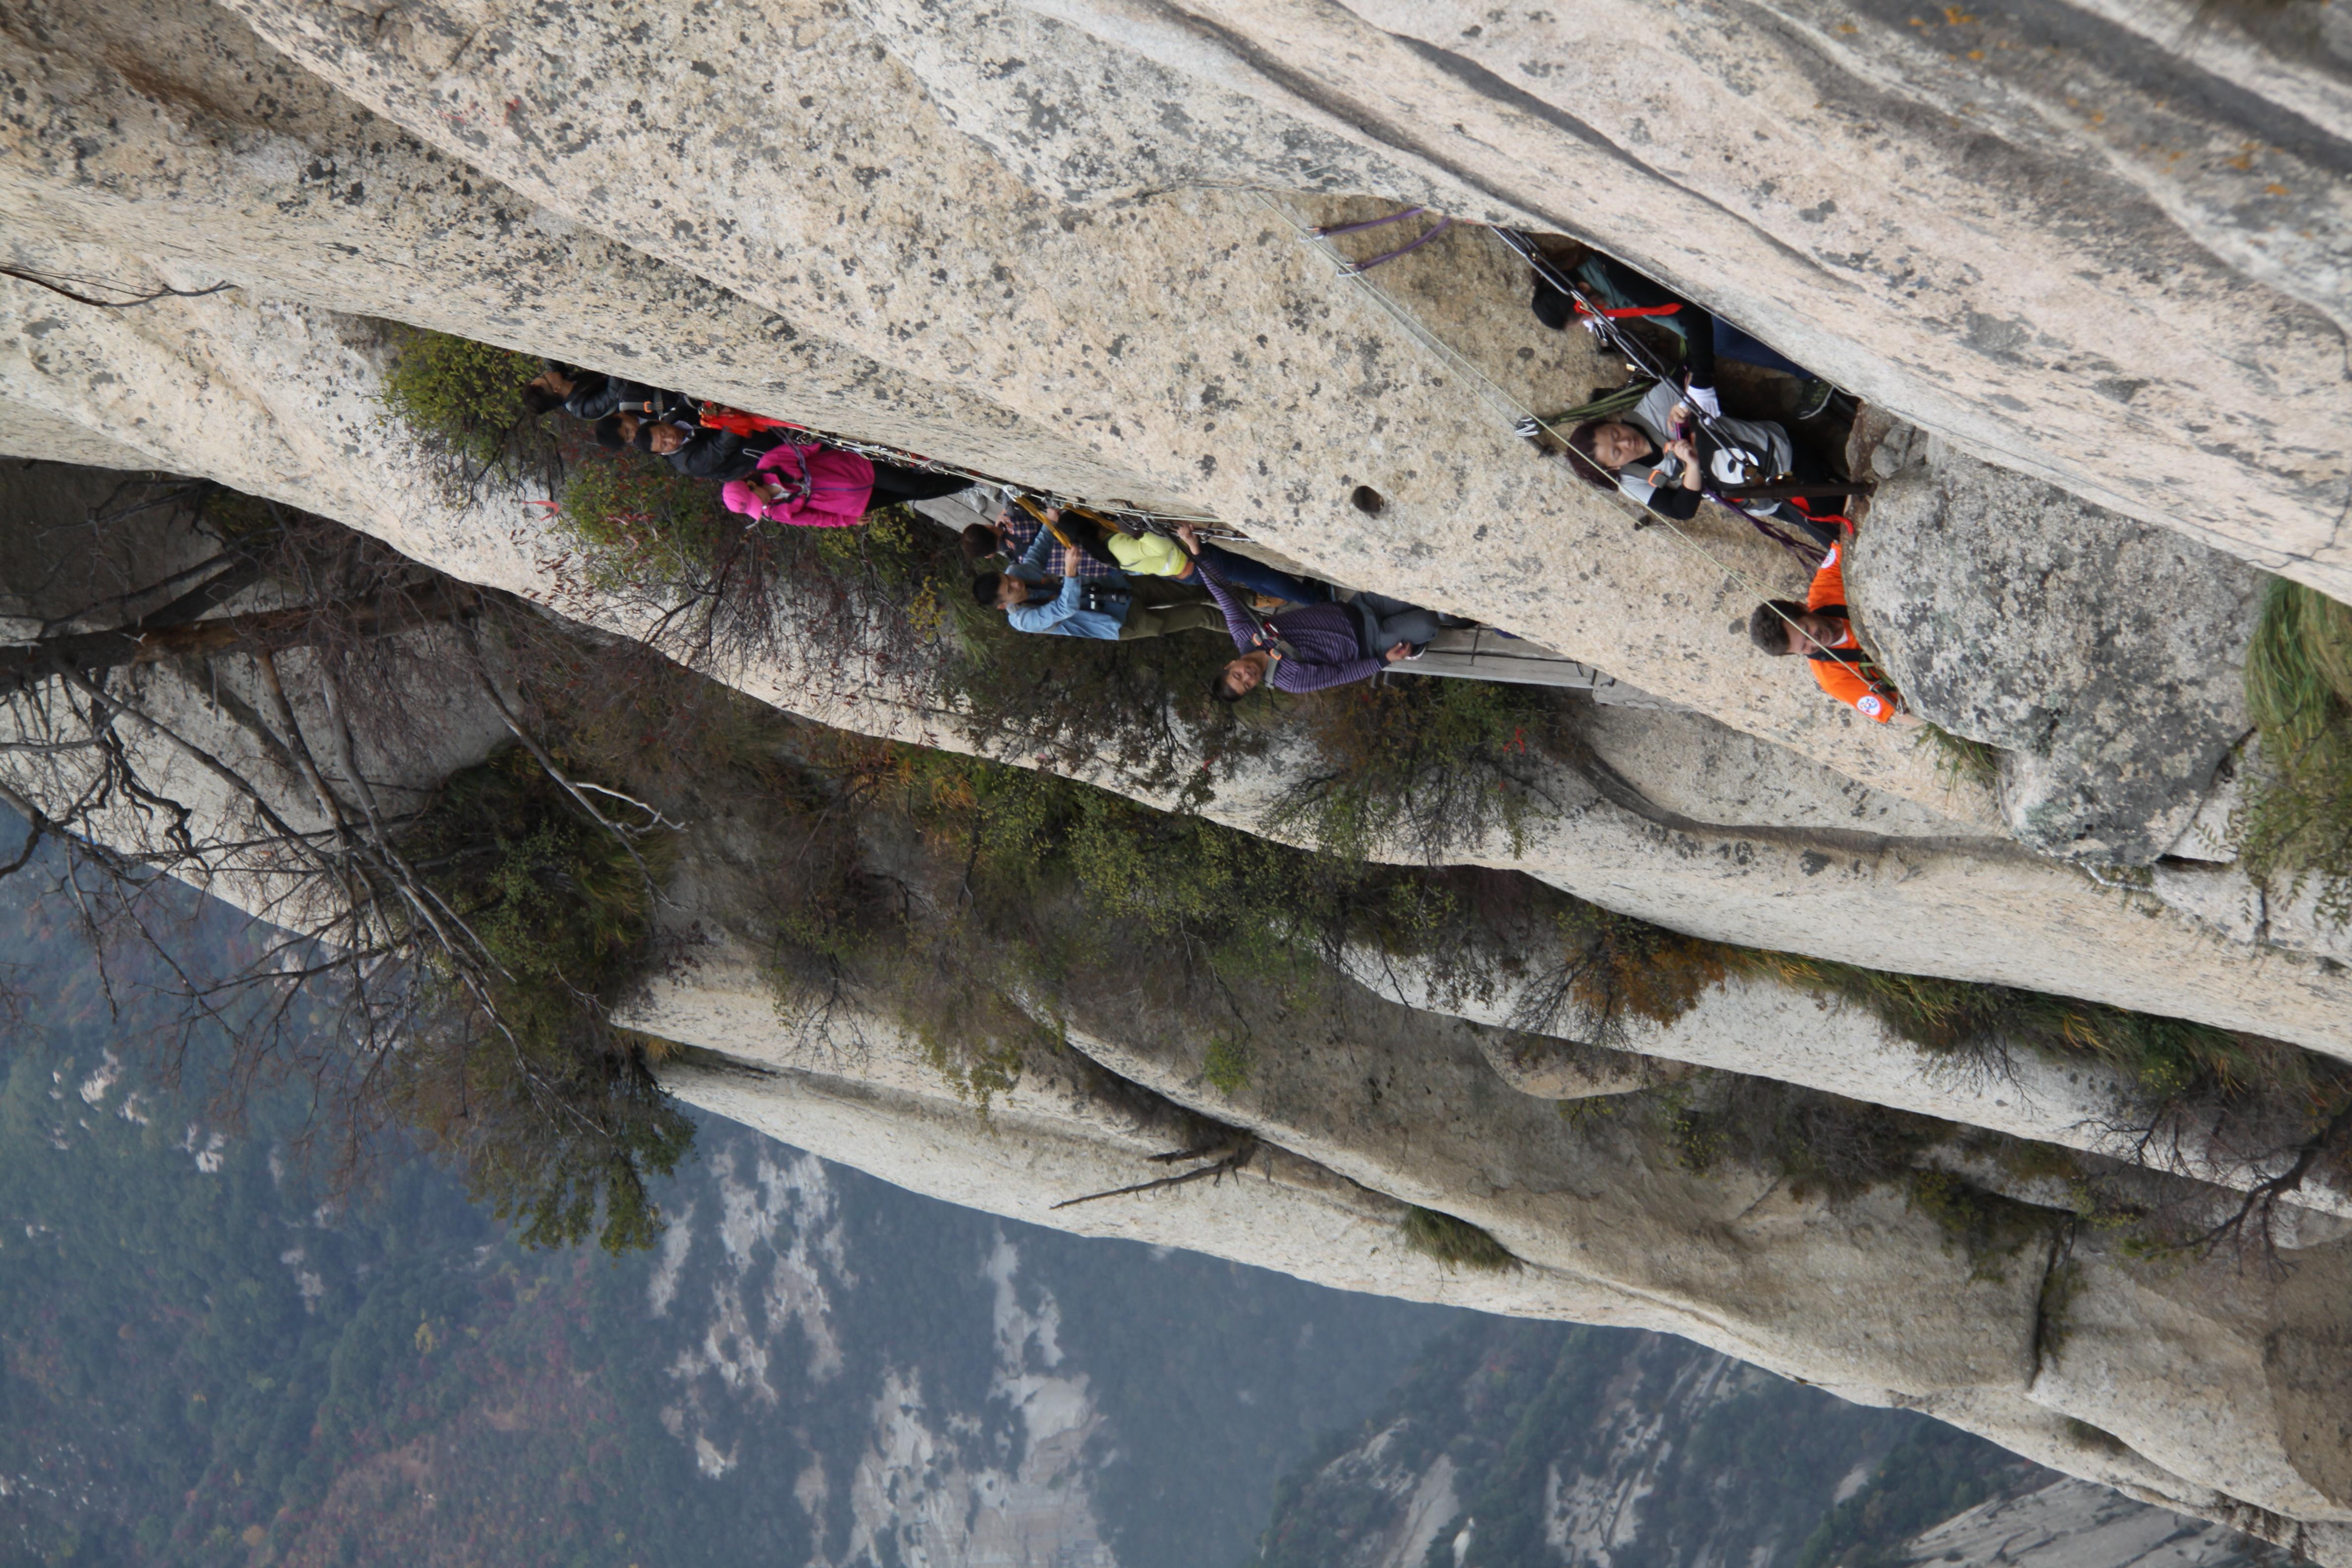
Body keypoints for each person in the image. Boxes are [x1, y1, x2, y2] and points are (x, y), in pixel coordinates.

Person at [1536, 321, 1845, 549]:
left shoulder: (1654, 406)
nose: (1625, 442)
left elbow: (1695, 363)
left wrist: (1688, 398)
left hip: (1779, 454)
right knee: (1835, 534)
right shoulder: (1632, 480)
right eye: (1616, 452)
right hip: (1766, 500)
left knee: (1837, 524)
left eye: (1615, 433)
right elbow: (1681, 510)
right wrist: (1692, 466)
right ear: (1614, 468)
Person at [1529, 246, 1835, 416]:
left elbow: (1692, 313)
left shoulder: (1619, 280)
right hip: (1699, 305)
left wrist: (1701, 379)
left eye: (1582, 315)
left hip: (1710, 300)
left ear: (1581, 290)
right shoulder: (1601, 283)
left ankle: (1814, 371)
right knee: (1714, 344)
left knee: (1721, 340)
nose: (1588, 321)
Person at [1176, 525, 1443, 699]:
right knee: (1430, 621)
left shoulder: (1246, 634)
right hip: (1372, 642)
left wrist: (1195, 548)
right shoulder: (1292, 680)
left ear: (1230, 665)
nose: (1248, 676)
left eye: (1238, 675)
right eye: (1247, 685)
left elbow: (1223, 593)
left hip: (1360, 608)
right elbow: (1340, 674)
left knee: (1413, 585)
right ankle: (1416, 645)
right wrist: (1383, 661)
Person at [1748, 537, 1917, 726]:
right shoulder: (1834, 679)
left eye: (1808, 632)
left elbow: (1847, 535)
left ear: (1803, 608)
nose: (1816, 642)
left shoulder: (1826, 589)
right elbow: (1898, 712)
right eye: (1805, 647)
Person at [975, 546, 1226, 641]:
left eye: (1009, 579)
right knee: (1199, 615)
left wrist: (1052, 521)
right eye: (1010, 590)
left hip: (1119, 588)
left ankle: (1253, 599)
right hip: (1121, 623)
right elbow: (1064, 608)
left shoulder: (1017, 571)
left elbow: (1038, 552)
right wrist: (1070, 571)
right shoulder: (1023, 620)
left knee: (1196, 591)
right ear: (1002, 605)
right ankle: (1254, 630)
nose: (1017, 583)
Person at [721, 441, 971, 526]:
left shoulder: (770, 463)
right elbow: (814, 519)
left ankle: (964, 476)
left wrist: (837, 443)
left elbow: (806, 448)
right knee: (909, 494)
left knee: (913, 486)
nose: (762, 506)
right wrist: (847, 521)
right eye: (756, 508)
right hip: (856, 505)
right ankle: (965, 484)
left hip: (854, 469)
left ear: (751, 486)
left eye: (756, 500)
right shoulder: (776, 513)